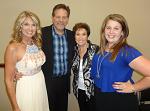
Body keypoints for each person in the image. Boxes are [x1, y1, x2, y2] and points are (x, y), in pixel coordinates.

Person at [91, 14, 150, 111]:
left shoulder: (127, 52)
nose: (111, 32)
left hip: (118, 100)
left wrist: (133, 87)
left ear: (122, 32)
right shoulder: (102, 49)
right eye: (108, 27)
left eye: (116, 28)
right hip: (101, 96)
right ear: (103, 30)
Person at [4, 11, 49, 111]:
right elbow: (8, 80)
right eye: (26, 24)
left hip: (40, 85)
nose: (30, 28)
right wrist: (15, 107)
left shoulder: (36, 42)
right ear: (20, 26)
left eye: (33, 25)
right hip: (26, 88)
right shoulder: (13, 47)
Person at [41, 4, 75, 111]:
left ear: (68, 19)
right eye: (58, 17)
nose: (61, 20)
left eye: (64, 17)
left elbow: (85, 46)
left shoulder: (72, 36)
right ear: (52, 17)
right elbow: (26, 49)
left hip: (64, 82)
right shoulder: (41, 33)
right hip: (47, 82)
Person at [72, 23, 99, 111]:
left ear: (87, 36)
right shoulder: (74, 51)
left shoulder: (96, 50)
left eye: (84, 34)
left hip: (93, 91)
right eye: (78, 34)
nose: (80, 37)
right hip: (79, 89)